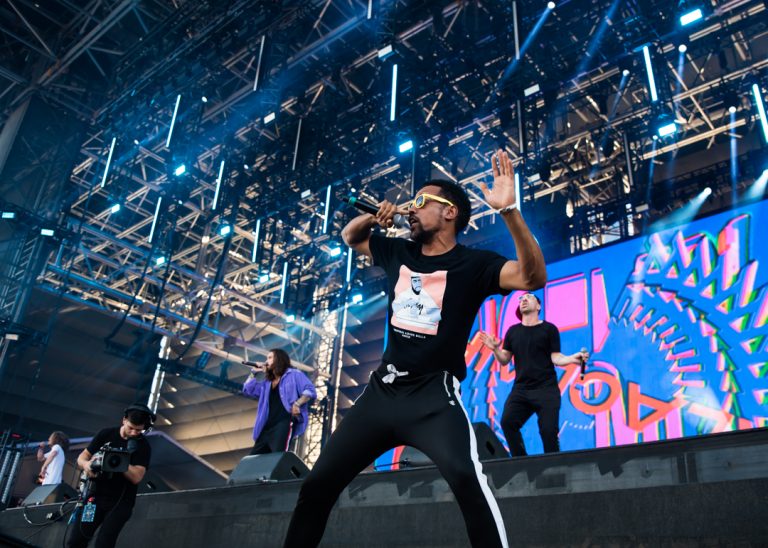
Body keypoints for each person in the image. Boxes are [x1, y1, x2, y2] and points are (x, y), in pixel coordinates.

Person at [282, 150, 547, 548]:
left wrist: (509, 211)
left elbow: (532, 277)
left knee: (466, 479)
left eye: (421, 201)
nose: (411, 208)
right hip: (381, 394)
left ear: (450, 212)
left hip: (433, 398)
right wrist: (374, 217)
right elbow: (351, 237)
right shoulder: (398, 252)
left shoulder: (474, 264)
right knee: (317, 484)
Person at [479, 292, 589, 456]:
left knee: (548, 432)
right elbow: (504, 360)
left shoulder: (549, 329)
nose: (523, 300)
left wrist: (573, 358)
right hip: (521, 390)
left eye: (529, 297)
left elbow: (556, 358)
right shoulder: (513, 331)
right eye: (521, 299)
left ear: (538, 306)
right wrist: (495, 349)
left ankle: (553, 466)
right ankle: (521, 462)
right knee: (508, 422)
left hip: (546, 390)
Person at [66, 404, 153, 548]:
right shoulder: (106, 434)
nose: (133, 433)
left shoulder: (143, 446)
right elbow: (82, 457)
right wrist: (87, 465)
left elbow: (137, 477)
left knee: (104, 543)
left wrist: (118, 461)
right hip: (95, 496)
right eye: (131, 428)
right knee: (76, 540)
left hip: (121, 502)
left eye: (138, 430)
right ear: (124, 420)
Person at [242, 349, 317, 454]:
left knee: (277, 457)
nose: (266, 361)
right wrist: (253, 373)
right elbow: (247, 389)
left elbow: (310, 391)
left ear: (279, 359)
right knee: (252, 460)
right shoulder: (267, 383)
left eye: (269, 358)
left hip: (283, 424)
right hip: (266, 427)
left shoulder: (294, 374)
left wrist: (297, 404)